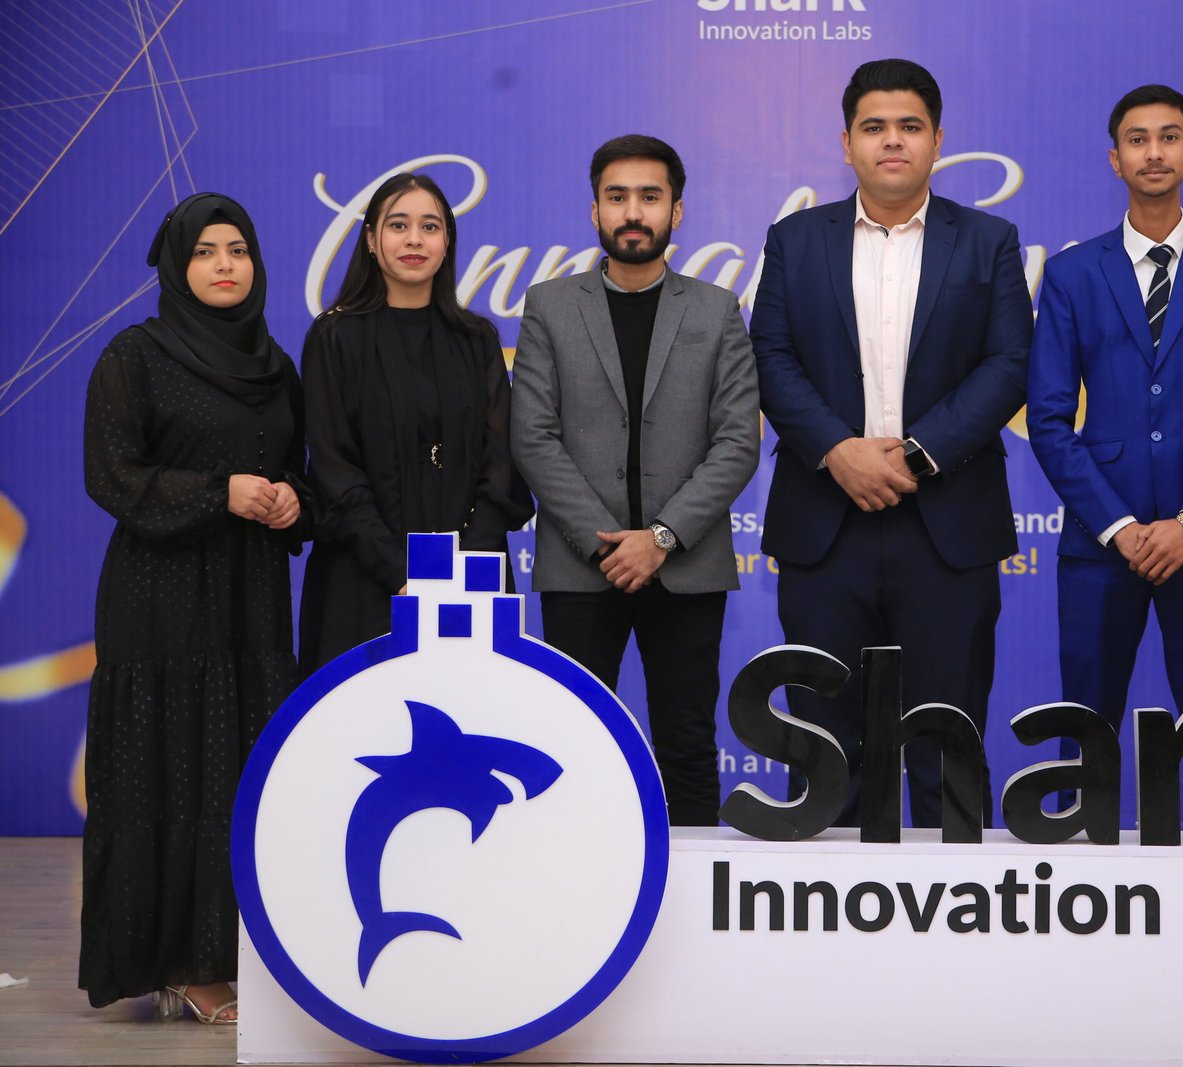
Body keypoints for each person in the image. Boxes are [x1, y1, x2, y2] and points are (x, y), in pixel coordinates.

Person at [750, 58, 1034, 827]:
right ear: (846, 143)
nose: (893, 141)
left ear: (938, 140)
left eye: (910, 126)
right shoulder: (794, 239)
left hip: (946, 524)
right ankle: (825, 907)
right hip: (825, 521)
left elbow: (1010, 362)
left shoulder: (988, 240)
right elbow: (770, 357)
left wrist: (914, 453)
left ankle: (959, 905)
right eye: (874, 127)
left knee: (946, 747)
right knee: (826, 755)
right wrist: (838, 450)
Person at [80, 193, 309, 1023]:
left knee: (241, 766)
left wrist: (291, 499)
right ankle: (181, 963)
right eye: (205, 251)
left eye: (237, 249)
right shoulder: (133, 356)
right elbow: (112, 474)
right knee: (169, 767)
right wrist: (221, 493)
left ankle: (241, 950)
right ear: (178, 267)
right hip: (162, 597)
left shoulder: (275, 365)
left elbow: (296, 466)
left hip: (251, 597)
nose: (224, 265)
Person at [1026, 84, 1183, 831]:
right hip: (1102, 542)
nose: (1154, 152)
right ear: (1115, 159)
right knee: (1086, 724)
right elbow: (1048, 419)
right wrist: (1120, 527)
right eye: (1137, 139)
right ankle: (1079, 865)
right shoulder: (1073, 273)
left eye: (1169, 137)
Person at [511, 135, 759, 826]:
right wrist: (607, 544)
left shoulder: (716, 310)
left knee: (687, 744)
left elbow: (738, 442)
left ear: (675, 212)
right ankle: (573, 885)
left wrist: (661, 537)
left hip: (686, 566)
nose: (632, 212)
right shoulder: (549, 305)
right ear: (594, 210)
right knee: (573, 744)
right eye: (616, 196)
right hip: (580, 567)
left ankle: (692, 893)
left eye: (650, 197)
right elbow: (532, 436)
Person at [299, 172, 533, 674]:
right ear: (370, 239)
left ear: (447, 242)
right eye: (398, 225)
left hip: (470, 581)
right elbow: (334, 468)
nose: (414, 240)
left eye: (430, 227)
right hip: (362, 580)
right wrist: (401, 575)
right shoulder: (334, 337)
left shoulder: (476, 339)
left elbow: (501, 461)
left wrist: (463, 568)